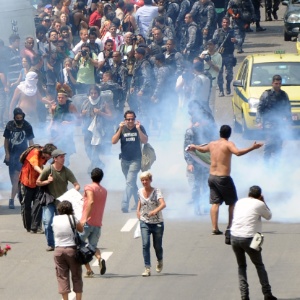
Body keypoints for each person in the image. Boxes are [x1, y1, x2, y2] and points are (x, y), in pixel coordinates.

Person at [189, 125, 263, 234]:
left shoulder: (212, 144)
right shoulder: (228, 144)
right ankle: (230, 226)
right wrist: (252, 148)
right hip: (223, 178)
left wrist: (194, 147)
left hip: (212, 177)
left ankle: (215, 228)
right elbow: (237, 153)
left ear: (220, 133)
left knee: (215, 203)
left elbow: (203, 150)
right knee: (232, 203)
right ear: (230, 134)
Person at [230, 185, 277, 300]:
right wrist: (263, 201)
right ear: (260, 196)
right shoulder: (259, 204)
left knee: (241, 266)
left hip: (234, 236)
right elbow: (269, 216)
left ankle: (244, 295)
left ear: (248, 194)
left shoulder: (240, 202)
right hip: (250, 238)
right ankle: (267, 293)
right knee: (259, 265)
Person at [36, 149, 80, 251]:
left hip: (62, 203)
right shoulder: (48, 170)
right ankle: (51, 244)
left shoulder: (66, 171)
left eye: (64, 157)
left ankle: (71, 242)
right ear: (55, 159)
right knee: (48, 222)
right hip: (50, 200)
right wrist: (47, 181)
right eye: (61, 157)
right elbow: (38, 182)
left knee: (68, 223)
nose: (63, 159)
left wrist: (72, 193)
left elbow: (77, 185)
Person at [111, 110, 148, 213]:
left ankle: (124, 204)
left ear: (135, 119)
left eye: (132, 119)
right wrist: (120, 129)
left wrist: (138, 129)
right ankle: (139, 202)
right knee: (131, 183)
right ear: (125, 120)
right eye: (128, 119)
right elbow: (113, 141)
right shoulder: (121, 128)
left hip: (136, 160)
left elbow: (145, 141)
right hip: (124, 160)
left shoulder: (139, 128)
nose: (130, 121)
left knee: (129, 182)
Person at [19, 143, 57, 233]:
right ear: (44, 152)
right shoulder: (35, 152)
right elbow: (36, 166)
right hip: (26, 181)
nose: (48, 159)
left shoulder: (45, 156)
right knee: (26, 206)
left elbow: (41, 166)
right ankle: (28, 226)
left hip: (37, 181)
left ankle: (35, 227)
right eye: (48, 156)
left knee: (38, 204)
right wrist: (45, 175)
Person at [256, 74, 291, 165]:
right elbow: (259, 109)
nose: (278, 85)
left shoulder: (283, 95)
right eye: (276, 83)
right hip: (269, 123)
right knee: (269, 144)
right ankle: (266, 165)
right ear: (272, 83)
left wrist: (288, 122)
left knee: (278, 146)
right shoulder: (266, 94)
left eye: (279, 83)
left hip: (280, 124)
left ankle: (276, 166)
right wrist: (259, 121)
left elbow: (287, 109)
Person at [136, 171, 166, 277]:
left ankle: (160, 260)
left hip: (157, 223)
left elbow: (163, 204)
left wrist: (155, 211)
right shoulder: (139, 191)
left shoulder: (156, 191)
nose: (144, 182)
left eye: (146, 180)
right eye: (142, 180)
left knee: (157, 246)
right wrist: (138, 210)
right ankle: (147, 268)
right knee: (145, 244)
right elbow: (140, 200)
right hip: (145, 222)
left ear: (150, 180)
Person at [52, 200, 83, 300]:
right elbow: (81, 229)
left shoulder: (55, 219)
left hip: (58, 251)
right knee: (76, 276)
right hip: (72, 250)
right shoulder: (73, 218)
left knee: (62, 277)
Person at [3, 108, 34, 209]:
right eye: (17, 118)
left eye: (21, 117)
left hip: (22, 155)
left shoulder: (27, 126)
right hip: (12, 154)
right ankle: (17, 192)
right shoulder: (10, 125)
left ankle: (11, 200)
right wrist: (7, 153)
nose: (19, 119)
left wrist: (30, 155)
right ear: (14, 117)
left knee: (16, 178)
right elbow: (6, 140)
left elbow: (31, 142)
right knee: (13, 179)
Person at [79, 168, 107, 277]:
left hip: (87, 222)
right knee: (93, 246)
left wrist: (84, 218)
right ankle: (99, 259)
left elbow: (90, 201)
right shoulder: (104, 190)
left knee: (79, 246)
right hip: (98, 223)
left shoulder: (89, 187)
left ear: (91, 176)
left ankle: (89, 270)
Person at [81, 85, 114, 171]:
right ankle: (98, 163)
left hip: (99, 129)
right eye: (91, 93)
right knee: (87, 148)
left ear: (98, 94)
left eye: (95, 93)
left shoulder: (103, 103)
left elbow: (110, 116)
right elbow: (79, 116)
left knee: (95, 149)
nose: (93, 95)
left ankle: (94, 168)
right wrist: (82, 114)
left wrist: (100, 113)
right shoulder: (85, 102)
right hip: (87, 129)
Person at [199, 39, 222, 115]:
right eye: (208, 44)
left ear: (215, 45)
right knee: (202, 100)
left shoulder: (218, 56)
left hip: (212, 81)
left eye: (211, 44)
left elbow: (218, 69)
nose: (209, 46)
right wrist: (201, 59)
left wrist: (210, 62)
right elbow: (197, 65)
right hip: (202, 81)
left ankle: (211, 119)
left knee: (211, 102)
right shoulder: (203, 53)